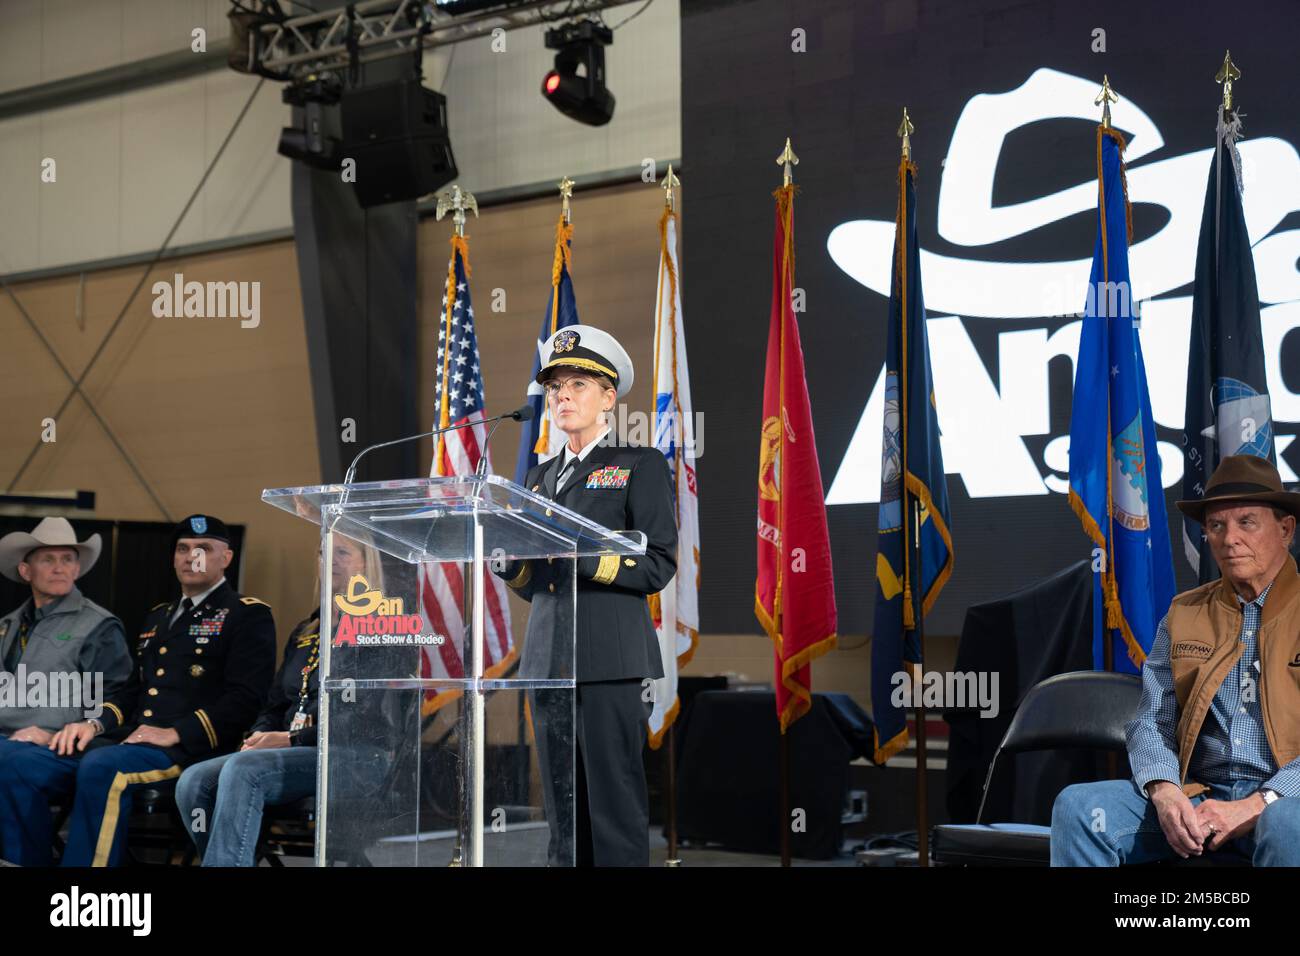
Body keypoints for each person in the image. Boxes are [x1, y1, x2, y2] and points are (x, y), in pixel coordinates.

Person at [1051, 455, 1300, 866]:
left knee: (1287, 823)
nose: (1229, 538)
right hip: (1198, 795)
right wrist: (1164, 790)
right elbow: (1151, 721)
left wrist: (1258, 803)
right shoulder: (1184, 613)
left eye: (1247, 522)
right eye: (1216, 526)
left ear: (1285, 529)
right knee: (1080, 807)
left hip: (1284, 800)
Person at [497, 325, 677, 866]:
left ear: (608, 398)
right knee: (562, 804)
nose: (562, 397)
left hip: (609, 657)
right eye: (554, 388)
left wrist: (584, 558)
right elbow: (537, 583)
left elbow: (657, 564)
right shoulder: (537, 478)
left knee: (612, 803)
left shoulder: (639, 465)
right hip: (548, 657)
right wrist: (510, 565)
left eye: (577, 384)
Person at [0, 513, 276, 866]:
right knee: (21, 763)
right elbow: (131, 692)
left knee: (103, 766)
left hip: (194, 749)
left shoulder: (245, 614)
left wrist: (176, 732)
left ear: (227, 558)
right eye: (183, 548)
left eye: (204, 548)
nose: (192, 557)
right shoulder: (159, 616)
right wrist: (94, 724)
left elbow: (247, 699)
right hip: (132, 742)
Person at [175, 536, 380, 866]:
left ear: (367, 563)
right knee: (194, 782)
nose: (331, 560)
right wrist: (260, 735)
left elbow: (362, 719)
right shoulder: (306, 630)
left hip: (351, 756)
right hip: (291, 750)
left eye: (343, 553)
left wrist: (291, 738)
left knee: (243, 771)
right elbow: (274, 703)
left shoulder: (381, 628)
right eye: (324, 552)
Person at [0, 517, 133, 865]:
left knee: (13, 763)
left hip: (65, 749)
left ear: (78, 569)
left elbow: (114, 700)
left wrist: (51, 734)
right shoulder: (7, 625)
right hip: (10, 741)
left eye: (68, 559)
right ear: (26, 570)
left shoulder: (97, 626)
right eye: (49, 559)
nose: (60, 568)